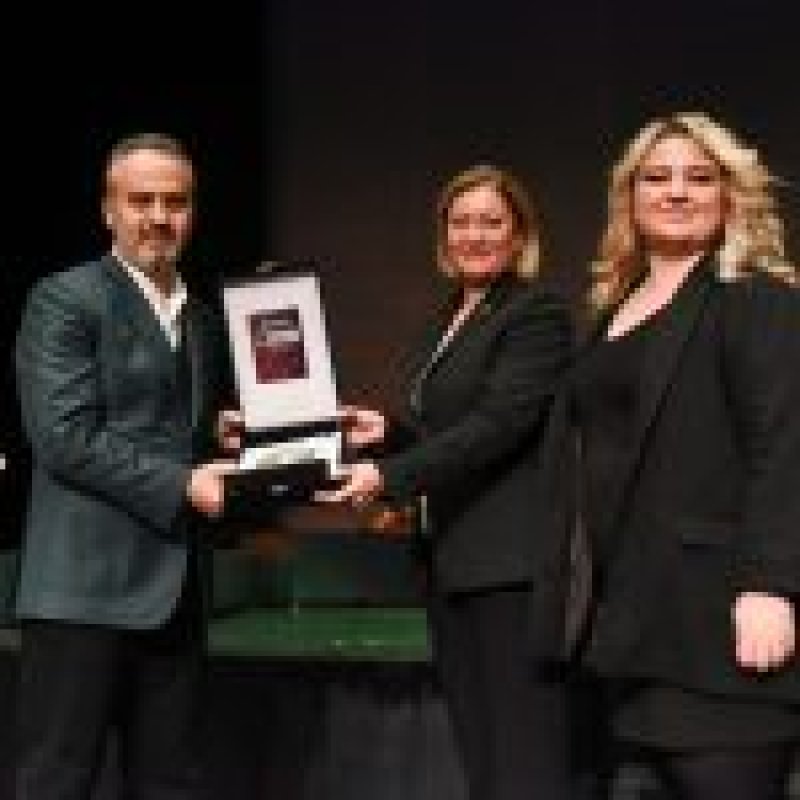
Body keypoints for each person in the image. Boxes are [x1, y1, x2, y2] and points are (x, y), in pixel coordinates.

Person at [318, 164, 574, 800]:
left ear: (520, 234)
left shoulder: (536, 314)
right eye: (461, 222)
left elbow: (497, 426)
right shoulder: (451, 316)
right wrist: (390, 432)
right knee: (480, 755)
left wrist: (389, 475)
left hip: (509, 570)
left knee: (523, 761)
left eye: (491, 222)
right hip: (453, 564)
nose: (474, 235)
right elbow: (448, 429)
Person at [572, 112, 800, 799]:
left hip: (718, 626)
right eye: (657, 178)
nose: (677, 192)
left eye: (700, 178)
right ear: (629, 196)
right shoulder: (615, 306)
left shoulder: (755, 298)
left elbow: (783, 444)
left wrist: (770, 586)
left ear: (730, 194)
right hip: (634, 624)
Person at [13, 132, 234, 800]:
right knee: (57, 781)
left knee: (169, 783)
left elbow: (167, 428)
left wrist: (221, 437)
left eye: (176, 202)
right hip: (83, 593)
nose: (160, 217)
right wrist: (183, 482)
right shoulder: (65, 298)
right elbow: (64, 437)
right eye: (142, 201)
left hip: (175, 594)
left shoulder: (201, 318)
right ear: (108, 209)